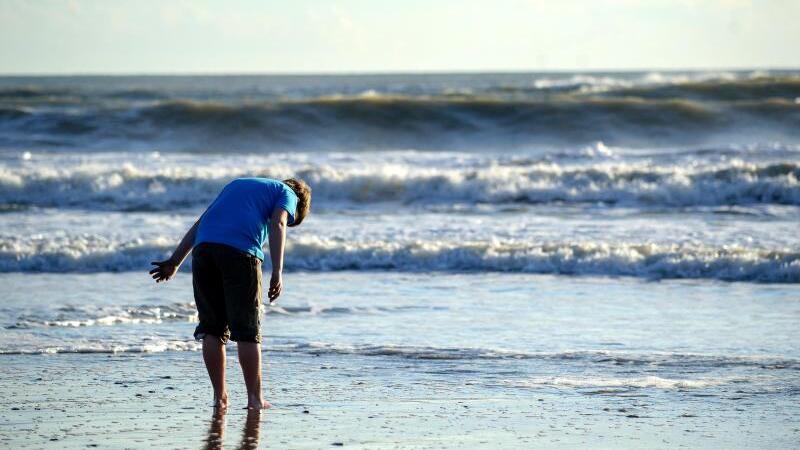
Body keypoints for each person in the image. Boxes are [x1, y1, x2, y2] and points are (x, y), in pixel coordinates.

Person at [150, 177, 311, 410]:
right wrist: (277, 271)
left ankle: (220, 398)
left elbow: (200, 223)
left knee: (211, 329)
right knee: (247, 331)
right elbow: (278, 223)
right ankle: (255, 399)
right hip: (240, 253)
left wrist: (175, 261)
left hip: (204, 250)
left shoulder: (236, 185)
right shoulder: (288, 194)